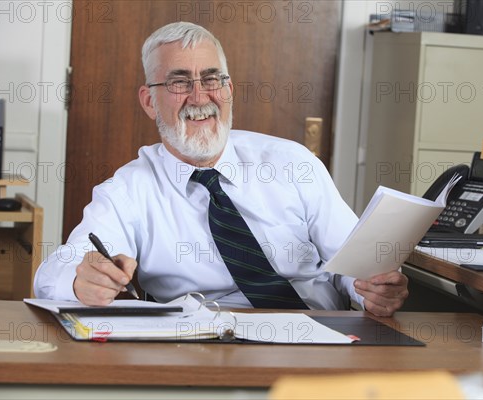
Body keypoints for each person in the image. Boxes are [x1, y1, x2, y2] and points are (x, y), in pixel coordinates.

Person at [34, 22, 408, 316]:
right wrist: (82, 280)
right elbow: (52, 276)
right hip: (205, 347)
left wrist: (370, 290)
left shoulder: (293, 163)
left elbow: (351, 260)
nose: (200, 97)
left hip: (321, 338)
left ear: (229, 90)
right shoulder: (129, 190)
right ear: (150, 101)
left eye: (212, 79)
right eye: (180, 82)